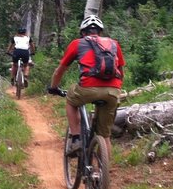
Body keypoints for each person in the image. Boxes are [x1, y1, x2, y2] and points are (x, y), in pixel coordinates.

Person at [47, 15, 125, 157]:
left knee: (71, 100)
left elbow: (60, 70)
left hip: (88, 88)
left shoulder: (77, 43)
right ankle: (102, 172)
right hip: (113, 90)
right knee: (105, 136)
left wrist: (54, 87)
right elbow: (121, 72)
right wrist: (115, 89)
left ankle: (76, 138)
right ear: (100, 32)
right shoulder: (114, 44)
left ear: (83, 33)